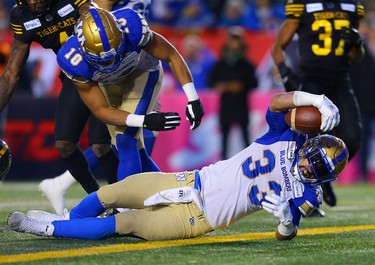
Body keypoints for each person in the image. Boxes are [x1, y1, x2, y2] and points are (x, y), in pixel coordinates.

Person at [7, 91, 348, 241]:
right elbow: (277, 103)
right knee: (112, 193)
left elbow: (284, 234)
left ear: (326, 178)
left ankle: (50, 229)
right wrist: (311, 99)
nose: (310, 169)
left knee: (127, 223)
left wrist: (287, 223)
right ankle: (67, 222)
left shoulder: (307, 194)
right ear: (311, 145)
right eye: (314, 159)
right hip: (190, 178)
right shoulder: (286, 137)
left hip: (196, 218)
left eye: (320, 170)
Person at [55, 7, 203, 184]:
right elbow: (100, 110)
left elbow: (171, 55)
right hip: (107, 84)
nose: (113, 63)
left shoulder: (132, 28)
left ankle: (127, 208)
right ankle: (172, 192)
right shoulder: (72, 60)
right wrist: (144, 120)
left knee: (125, 140)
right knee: (133, 146)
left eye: (117, 52)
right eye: (105, 60)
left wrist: (193, 98)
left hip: (142, 72)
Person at [38, 0, 155, 216]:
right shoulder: (102, 6)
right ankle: (125, 205)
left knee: (131, 140)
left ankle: (125, 203)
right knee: (126, 139)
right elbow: (97, 24)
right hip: (103, 69)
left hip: (132, 66)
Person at [271, 0, 364, 208]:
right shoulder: (302, 4)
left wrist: (357, 45)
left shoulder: (351, 6)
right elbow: (277, 46)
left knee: (353, 137)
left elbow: (355, 56)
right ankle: (306, 191)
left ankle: (324, 179)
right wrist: (285, 74)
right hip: (311, 80)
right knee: (309, 138)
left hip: (341, 80)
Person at [208, 26, 258, 160]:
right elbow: (211, 81)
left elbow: (254, 83)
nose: (234, 43)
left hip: (241, 105)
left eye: (237, 40)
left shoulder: (246, 64)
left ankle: (250, 161)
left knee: (245, 138)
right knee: (224, 140)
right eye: (232, 40)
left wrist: (241, 86)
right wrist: (225, 86)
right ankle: (223, 164)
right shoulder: (220, 64)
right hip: (226, 105)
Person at [351, 17, 375, 182]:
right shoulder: (360, 52)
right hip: (364, 103)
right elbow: (353, 79)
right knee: (363, 140)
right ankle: (363, 175)